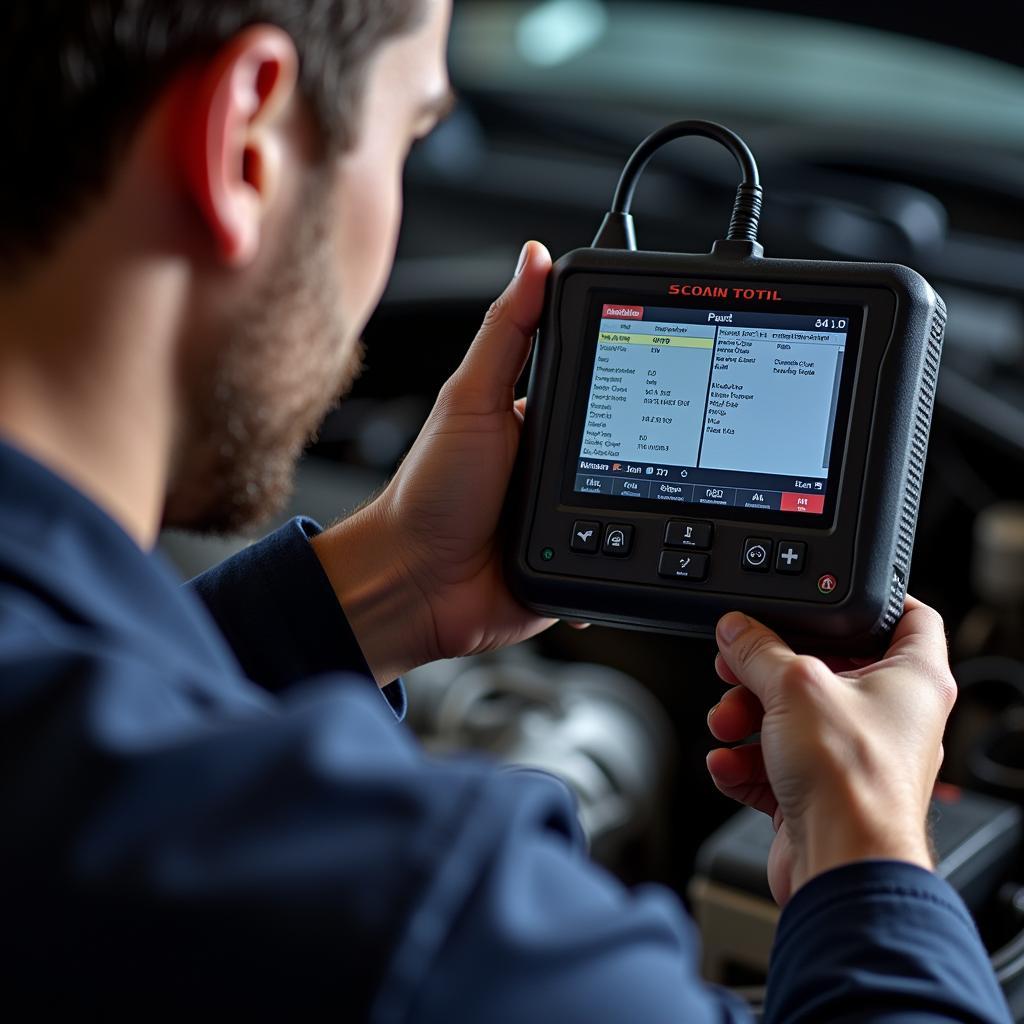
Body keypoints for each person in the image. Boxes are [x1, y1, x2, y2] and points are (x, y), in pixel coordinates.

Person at [0, 1, 1011, 1019]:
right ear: (244, 143)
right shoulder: (415, 916)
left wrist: (391, 579)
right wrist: (869, 841)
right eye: (410, 137)